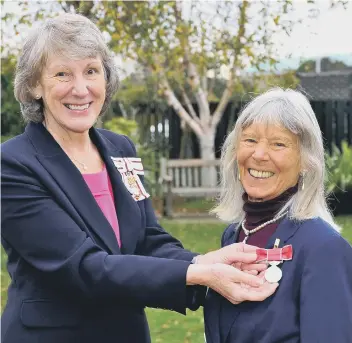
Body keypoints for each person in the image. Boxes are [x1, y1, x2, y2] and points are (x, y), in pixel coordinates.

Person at [0, 13, 278, 343]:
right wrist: (198, 273)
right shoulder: (13, 165)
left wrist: (202, 261)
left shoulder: (120, 149)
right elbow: (82, 267)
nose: (80, 88)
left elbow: (147, 240)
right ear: (35, 85)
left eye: (91, 71)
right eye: (62, 74)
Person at [204, 88, 352, 343]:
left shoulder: (323, 248)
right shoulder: (233, 236)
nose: (259, 155)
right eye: (250, 140)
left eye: (278, 144)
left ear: (307, 160)